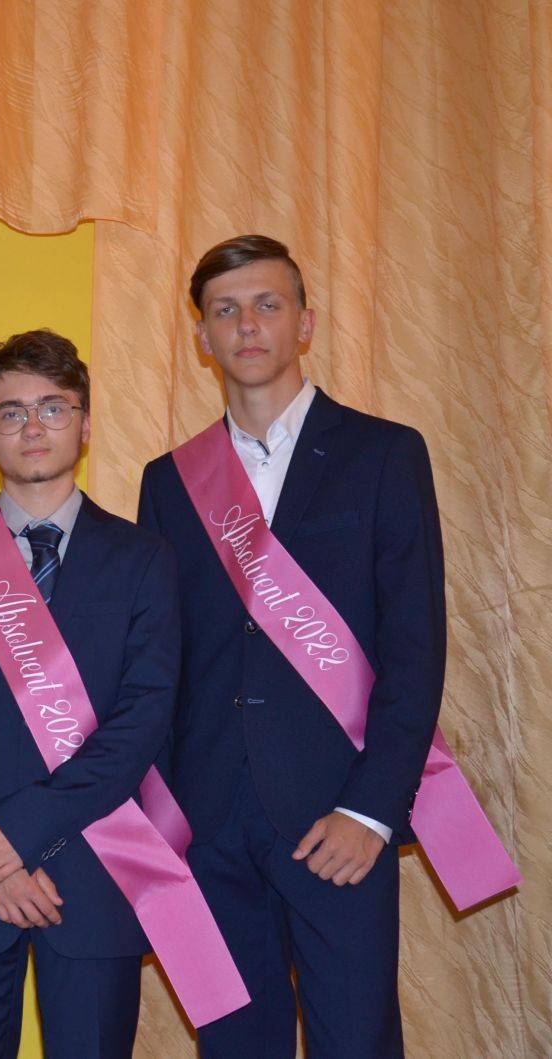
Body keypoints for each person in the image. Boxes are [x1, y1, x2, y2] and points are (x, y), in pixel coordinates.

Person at [138, 234, 454, 1057]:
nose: (247, 325)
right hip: (209, 824)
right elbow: (162, 661)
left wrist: (372, 810)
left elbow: (415, 647)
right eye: (225, 310)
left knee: (356, 1040)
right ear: (202, 336)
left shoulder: (384, 454)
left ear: (305, 323)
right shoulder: (168, 481)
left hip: (338, 817)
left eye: (267, 304)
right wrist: (166, 818)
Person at [0, 330, 186, 1057]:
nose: (32, 427)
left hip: (96, 873)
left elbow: (143, 718)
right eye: (11, 412)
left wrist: (20, 837)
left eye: (53, 407)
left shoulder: (145, 559)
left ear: (85, 424)